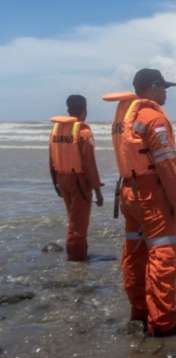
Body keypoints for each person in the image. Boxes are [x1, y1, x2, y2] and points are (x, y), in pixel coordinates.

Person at [103, 68, 176, 336]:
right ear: (152, 87)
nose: (166, 92)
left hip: (128, 193)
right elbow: (166, 164)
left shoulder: (125, 116)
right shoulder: (153, 118)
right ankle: (163, 322)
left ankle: (140, 312)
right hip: (151, 195)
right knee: (163, 255)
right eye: (163, 87)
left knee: (135, 252)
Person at [49, 95, 103, 261]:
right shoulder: (83, 131)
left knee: (73, 219)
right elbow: (89, 164)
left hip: (62, 178)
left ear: (68, 109)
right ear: (84, 110)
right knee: (78, 224)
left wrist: (55, 184)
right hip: (79, 182)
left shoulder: (56, 130)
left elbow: (51, 159)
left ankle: (79, 254)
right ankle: (76, 260)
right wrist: (98, 191)